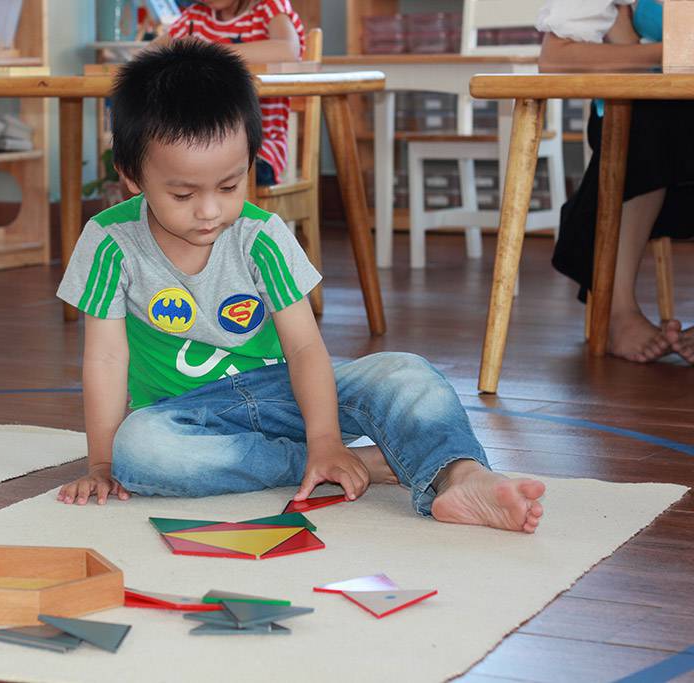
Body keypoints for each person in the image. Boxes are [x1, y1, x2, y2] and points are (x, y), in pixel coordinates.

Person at [54, 40, 546, 534]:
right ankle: (355, 463)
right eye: (183, 194)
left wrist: (326, 436)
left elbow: (305, 347)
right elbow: (106, 359)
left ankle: (462, 476)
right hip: (184, 413)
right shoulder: (110, 243)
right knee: (139, 450)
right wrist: (101, 463)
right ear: (132, 176)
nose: (209, 211)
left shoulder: (262, 236)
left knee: (406, 373)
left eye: (229, 186)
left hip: (283, 390)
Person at [538, 0, 693, 364]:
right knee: (646, 109)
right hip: (652, 120)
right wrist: (669, 54)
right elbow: (555, 59)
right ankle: (618, 311)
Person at [151, 0, 305, 186]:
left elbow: (288, 50)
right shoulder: (196, 15)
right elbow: (150, 52)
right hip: (198, 147)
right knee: (147, 169)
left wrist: (209, 50)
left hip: (258, 151)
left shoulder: (269, 7)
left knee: (190, 174)